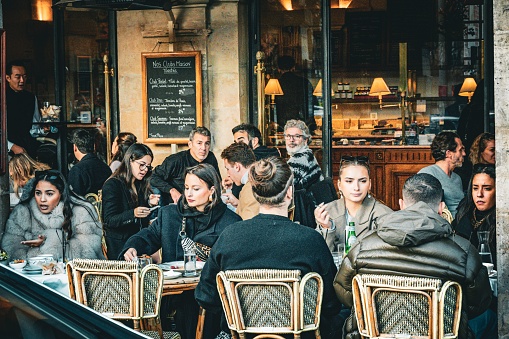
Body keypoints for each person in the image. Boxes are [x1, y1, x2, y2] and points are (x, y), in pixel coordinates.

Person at [195, 157, 342, 338]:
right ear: (289, 193)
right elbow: (330, 304)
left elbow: (205, 296)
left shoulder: (229, 236)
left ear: (256, 194)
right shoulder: (311, 240)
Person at [334, 173, 493, 339]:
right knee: (490, 318)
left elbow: (344, 291)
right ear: (441, 207)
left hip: (372, 336)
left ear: (401, 204)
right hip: (443, 336)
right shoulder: (463, 251)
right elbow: (479, 303)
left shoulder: (363, 245)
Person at [122, 163, 241, 338]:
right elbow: (148, 236)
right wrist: (132, 246)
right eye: (186, 188)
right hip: (173, 297)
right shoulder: (170, 215)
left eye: (196, 188)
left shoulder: (230, 222)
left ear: (212, 191)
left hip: (210, 299)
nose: (189, 194)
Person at [1, 169, 104, 261]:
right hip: (31, 277)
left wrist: (50, 239)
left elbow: (87, 253)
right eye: (38, 193)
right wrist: (33, 257)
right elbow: (11, 248)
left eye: (49, 194)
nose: (42, 199)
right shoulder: (23, 212)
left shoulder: (80, 212)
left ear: (61, 193)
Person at [314, 155, 392, 252]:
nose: (356, 187)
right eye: (349, 181)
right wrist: (327, 228)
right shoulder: (327, 212)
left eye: (362, 181)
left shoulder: (383, 214)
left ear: (369, 184)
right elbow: (319, 255)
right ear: (339, 185)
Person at [102, 143, 160, 260]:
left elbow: (139, 211)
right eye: (142, 165)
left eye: (148, 166)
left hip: (138, 242)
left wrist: (149, 204)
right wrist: (133, 213)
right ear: (130, 161)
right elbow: (109, 220)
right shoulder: (112, 184)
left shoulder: (140, 184)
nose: (145, 170)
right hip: (119, 245)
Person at [150, 126, 221, 205]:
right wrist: (171, 190)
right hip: (177, 204)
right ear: (190, 144)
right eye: (199, 143)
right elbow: (153, 177)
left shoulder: (211, 158)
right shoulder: (175, 160)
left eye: (207, 143)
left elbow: (217, 181)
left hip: (202, 204)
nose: (203, 148)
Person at [454, 164, 496, 268]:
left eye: (487, 188)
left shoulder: (501, 219)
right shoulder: (464, 211)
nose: (479, 194)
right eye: (475, 188)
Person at [225, 123, 280, 200]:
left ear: (254, 141)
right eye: (235, 142)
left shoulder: (253, 161)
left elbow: (238, 195)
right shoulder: (271, 154)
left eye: (241, 141)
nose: (237, 145)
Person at [6, 60, 48, 158]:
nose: (22, 80)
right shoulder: (3, 97)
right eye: (18, 77)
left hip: (28, 149)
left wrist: (44, 130)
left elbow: (35, 128)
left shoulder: (31, 98)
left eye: (24, 76)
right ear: (8, 78)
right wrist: (12, 146)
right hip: (6, 152)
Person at [418, 131, 465, 217]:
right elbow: (421, 210)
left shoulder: (457, 178)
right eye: (461, 150)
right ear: (449, 154)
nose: (464, 154)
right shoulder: (427, 174)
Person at [274, 55, 316, 131]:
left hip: (282, 126)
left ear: (278, 69)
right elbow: (313, 103)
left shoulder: (275, 85)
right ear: (294, 67)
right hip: (303, 125)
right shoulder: (304, 82)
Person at [220, 142, 259, 220]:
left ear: (237, 167)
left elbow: (246, 225)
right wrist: (239, 204)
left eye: (228, 169)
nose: (228, 174)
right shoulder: (260, 178)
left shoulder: (251, 187)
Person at [67, 129, 112, 196]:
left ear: (75, 147)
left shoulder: (77, 170)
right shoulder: (105, 167)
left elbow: (75, 199)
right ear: (94, 146)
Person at [284, 119, 323, 190]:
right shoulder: (308, 155)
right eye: (288, 136)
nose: (291, 140)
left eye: (297, 136)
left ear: (305, 140)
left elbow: (285, 189)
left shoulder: (298, 160)